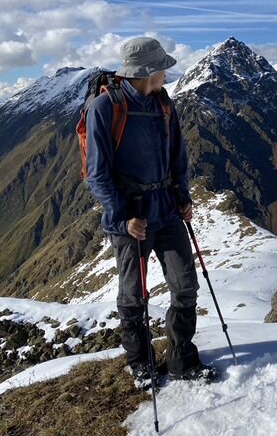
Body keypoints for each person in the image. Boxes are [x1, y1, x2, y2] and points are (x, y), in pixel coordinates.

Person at [85, 36, 214, 388]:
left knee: (185, 285)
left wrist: (183, 197)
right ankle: (140, 362)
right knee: (133, 295)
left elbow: (178, 156)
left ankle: (181, 360)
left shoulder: (163, 104)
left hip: (168, 210)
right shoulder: (104, 108)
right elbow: (96, 174)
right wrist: (123, 216)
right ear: (146, 72)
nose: (166, 75)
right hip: (132, 218)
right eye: (162, 69)